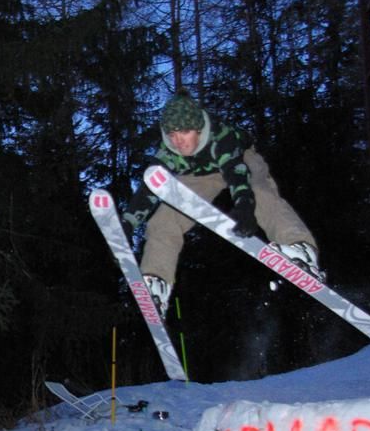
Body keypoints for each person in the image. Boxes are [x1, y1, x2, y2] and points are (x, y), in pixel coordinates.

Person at [121, 89, 322, 316]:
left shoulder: (221, 136)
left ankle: (300, 247)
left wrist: (244, 204)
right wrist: (128, 223)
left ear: (197, 129)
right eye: (172, 135)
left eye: (184, 133)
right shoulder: (169, 151)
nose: (178, 141)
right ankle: (157, 281)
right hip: (201, 174)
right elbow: (150, 187)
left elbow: (236, 171)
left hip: (240, 159)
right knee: (165, 218)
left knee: (261, 193)